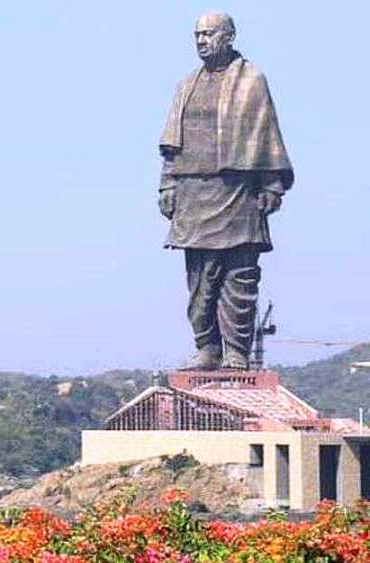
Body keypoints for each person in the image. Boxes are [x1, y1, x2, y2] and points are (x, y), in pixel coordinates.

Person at [158, 12, 292, 370]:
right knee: (200, 281)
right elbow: (171, 145)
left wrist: (272, 185)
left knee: (239, 278)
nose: (201, 40)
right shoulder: (186, 84)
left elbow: (266, 134)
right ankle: (207, 348)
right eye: (197, 35)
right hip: (192, 192)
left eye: (208, 34)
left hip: (237, 192)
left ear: (228, 36)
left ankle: (236, 353)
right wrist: (168, 183)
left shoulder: (251, 80)